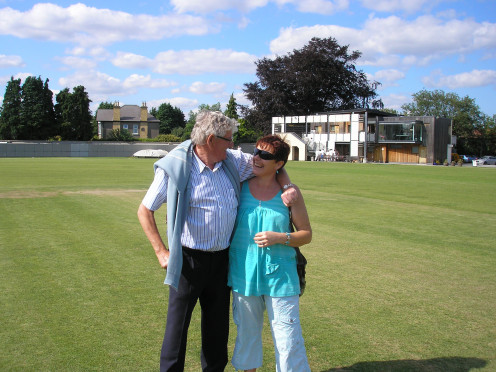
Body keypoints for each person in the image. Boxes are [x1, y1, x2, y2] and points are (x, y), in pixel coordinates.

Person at [137, 111, 297, 372]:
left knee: (217, 330)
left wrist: (288, 185)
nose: (234, 145)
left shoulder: (232, 161)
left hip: (222, 261)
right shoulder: (177, 167)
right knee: (177, 329)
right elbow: (145, 210)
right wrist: (160, 252)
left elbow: (269, 163)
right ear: (211, 140)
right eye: (229, 139)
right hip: (188, 261)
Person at [228, 135, 312, 372]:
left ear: (279, 164)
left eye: (265, 155)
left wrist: (281, 237)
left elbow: (306, 234)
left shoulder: (290, 194)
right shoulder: (240, 187)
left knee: (288, 340)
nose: (256, 158)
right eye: (256, 152)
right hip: (243, 275)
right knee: (247, 336)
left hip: (281, 277)